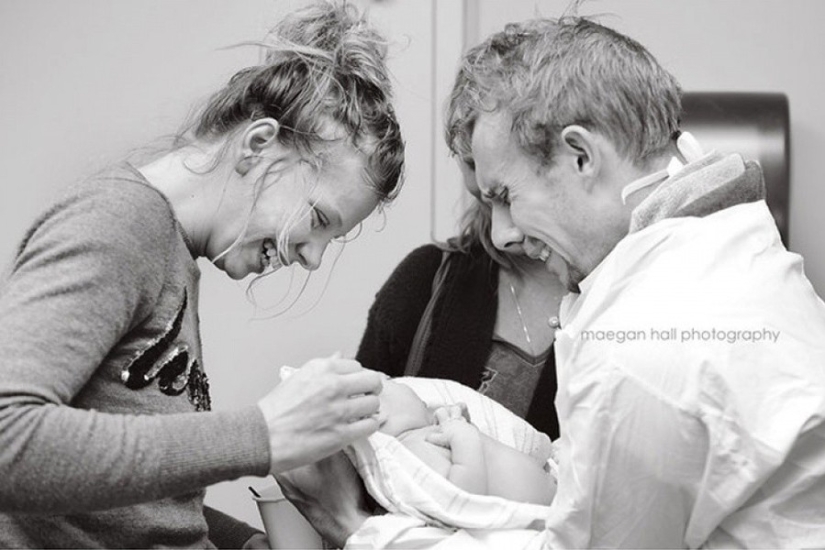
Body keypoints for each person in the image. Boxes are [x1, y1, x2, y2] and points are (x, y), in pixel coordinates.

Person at [277, 13, 825, 550]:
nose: (502, 232)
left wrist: (355, 529)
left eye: (506, 196)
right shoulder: (726, 245)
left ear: (581, 156)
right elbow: (572, 478)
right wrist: (427, 407)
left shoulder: (645, 348)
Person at [0, 1, 404, 548]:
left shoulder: (175, 255)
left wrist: (238, 541)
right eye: (318, 221)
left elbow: (134, 508)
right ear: (259, 146)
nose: (311, 258)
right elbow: (10, 439)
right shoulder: (121, 221)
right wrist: (260, 434)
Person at [356, 144, 566, 440]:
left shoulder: (627, 300)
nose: (482, 179)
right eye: (469, 162)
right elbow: (358, 432)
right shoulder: (425, 279)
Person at [377, 378, 556, 506]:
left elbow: (479, 459)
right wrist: (464, 436)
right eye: (393, 382)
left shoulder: (426, 435)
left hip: (556, 498)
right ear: (379, 413)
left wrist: (465, 427)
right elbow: (461, 498)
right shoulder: (410, 451)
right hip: (544, 519)